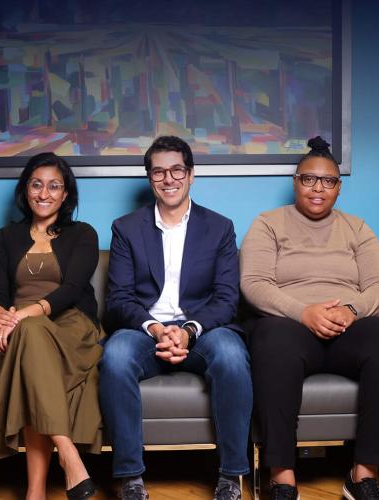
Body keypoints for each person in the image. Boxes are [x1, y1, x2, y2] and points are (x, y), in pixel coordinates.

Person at [241, 137, 379, 500]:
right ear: (295, 182)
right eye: (309, 179)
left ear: (339, 187)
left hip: (348, 327)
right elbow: (254, 284)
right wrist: (303, 312)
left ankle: (363, 473)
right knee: (271, 341)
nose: (318, 188)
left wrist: (351, 310)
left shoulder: (356, 227)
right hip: (290, 325)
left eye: (329, 181)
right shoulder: (268, 223)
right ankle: (282, 478)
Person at [100, 136, 251, 500]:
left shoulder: (219, 227)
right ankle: (131, 478)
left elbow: (227, 299)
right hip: (144, 331)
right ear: (150, 178)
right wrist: (154, 328)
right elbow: (118, 298)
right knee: (115, 357)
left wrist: (187, 330)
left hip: (202, 330)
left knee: (232, 356)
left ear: (191, 174)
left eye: (177, 170)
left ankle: (231, 475)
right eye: (159, 172)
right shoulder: (126, 227)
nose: (169, 179)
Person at [0, 153, 104, 500]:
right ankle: (68, 456)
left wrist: (20, 316)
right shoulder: (6, 237)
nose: (44, 193)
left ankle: (36, 489)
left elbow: (71, 290)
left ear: (66, 195)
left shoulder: (83, 234)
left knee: (31, 338)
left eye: (54, 186)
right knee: (31, 350)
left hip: (70, 327)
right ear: (25, 190)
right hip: (16, 331)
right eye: (36, 184)